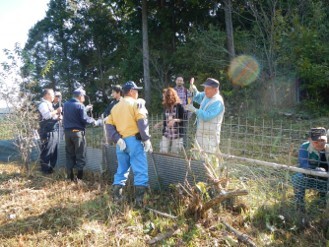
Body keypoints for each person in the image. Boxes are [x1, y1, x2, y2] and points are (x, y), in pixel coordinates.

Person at [106, 81, 152, 207]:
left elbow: (108, 124)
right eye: (136, 90)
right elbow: (142, 122)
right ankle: (139, 201)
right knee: (140, 170)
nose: (137, 93)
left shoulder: (115, 107)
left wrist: (117, 139)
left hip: (121, 144)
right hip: (134, 141)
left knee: (121, 169)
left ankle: (117, 197)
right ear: (131, 91)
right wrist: (146, 139)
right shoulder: (137, 103)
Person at [63, 88, 98, 181]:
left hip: (67, 133)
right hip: (77, 133)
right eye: (83, 96)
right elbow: (84, 119)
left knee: (69, 154)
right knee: (80, 155)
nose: (84, 99)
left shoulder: (65, 104)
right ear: (80, 96)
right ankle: (79, 178)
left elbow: (74, 114)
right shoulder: (80, 105)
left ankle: (69, 178)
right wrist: (93, 120)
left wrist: (85, 108)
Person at [292, 127, 329, 211]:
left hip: (326, 179)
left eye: (322, 140)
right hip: (309, 176)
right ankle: (299, 205)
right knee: (297, 178)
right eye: (316, 141)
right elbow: (303, 164)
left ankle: (323, 202)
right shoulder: (305, 147)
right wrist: (316, 170)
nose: (320, 144)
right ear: (309, 140)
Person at [185, 77, 225, 154]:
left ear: (215, 90)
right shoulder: (207, 95)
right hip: (201, 132)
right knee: (198, 155)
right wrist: (194, 89)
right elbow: (198, 96)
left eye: (208, 88)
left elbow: (207, 117)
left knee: (208, 158)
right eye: (205, 88)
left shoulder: (218, 102)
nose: (205, 90)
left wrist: (195, 110)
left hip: (210, 136)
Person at [37, 88, 62, 174]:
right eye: (52, 94)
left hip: (53, 130)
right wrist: (57, 111)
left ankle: (51, 169)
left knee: (53, 151)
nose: (53, 96)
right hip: (46, 131)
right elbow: (47, 116)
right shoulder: (43, 104)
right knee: (47, 151)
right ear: (47, 95)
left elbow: (52, 117)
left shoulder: (49, 104)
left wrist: (58, 118)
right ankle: (45, 171)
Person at [154, 87, 185, 154]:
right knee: (163, 151)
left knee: (175, 153)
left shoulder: (179, 106)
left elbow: (184, 119)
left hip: (177, 134)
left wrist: (175, 120)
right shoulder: (166, 106)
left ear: (170, 97)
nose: (163, 98)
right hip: (166, 133)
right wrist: (159, 124)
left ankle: (173, 164)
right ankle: (164, 163)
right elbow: (166, 120)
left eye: (164, 97)